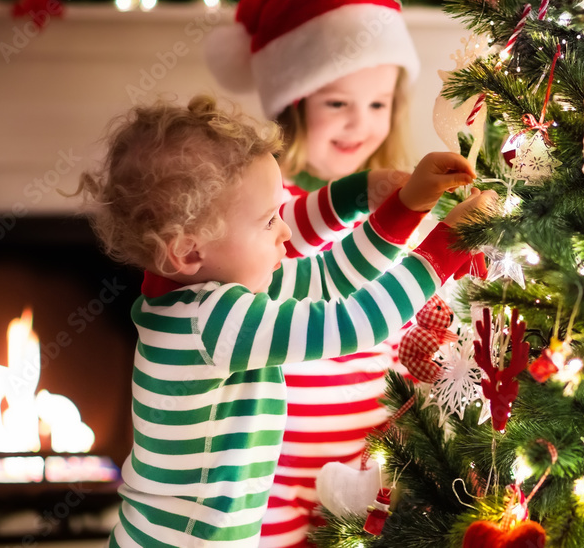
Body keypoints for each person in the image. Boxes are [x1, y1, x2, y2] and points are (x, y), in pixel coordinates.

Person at [74, 95, 495, 547]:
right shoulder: (214, 323)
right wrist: (445, 246)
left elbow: (331, 279)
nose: (286, 231)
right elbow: (352, 322)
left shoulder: (196, 293)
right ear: (188, 250)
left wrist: (404, 206)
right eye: (267, 220)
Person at [205, 0, 459, 548]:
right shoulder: (272, 206)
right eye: (337, 104)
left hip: (361, 458)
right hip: (269, 466)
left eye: (376, 105)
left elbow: (403, 319)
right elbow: (290, 277)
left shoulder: (402, 205)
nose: (359, 124)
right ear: (293, 106)